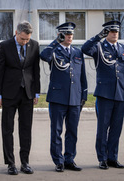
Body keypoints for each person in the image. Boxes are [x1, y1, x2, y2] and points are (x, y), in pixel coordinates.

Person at [81, 20, 124, 169]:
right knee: (103, 128)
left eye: (116, 31)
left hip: (120, 94)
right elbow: (85, 49)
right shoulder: (99, 47)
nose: (114, 34)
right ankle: (102, 158)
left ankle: (113, 157)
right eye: (111, 31)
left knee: (116, 128)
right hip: (104, 94)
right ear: (106, 33)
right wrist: (98, 37)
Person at [0, 20, 40, 175]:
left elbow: (36, 70)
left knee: (26, 129)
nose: (25, 42)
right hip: (9, 94)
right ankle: (11, 163)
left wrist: (36, 92)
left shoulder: (34, 45)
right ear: (16, 33)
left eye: (27, 39)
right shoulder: (4, 46)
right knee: (8, 129)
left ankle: (25, 162)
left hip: (27, 93)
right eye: (22, 39)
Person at [40, 22, 87, 172]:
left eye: (71, 34)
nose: (69, 36)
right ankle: (58, 161)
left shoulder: (77, 52)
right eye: (66, 34)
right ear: (60, 35)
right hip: (58, 97)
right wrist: (56, 42)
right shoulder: (54, 50)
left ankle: (69, 159)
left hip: (74, 98)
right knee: (56, 131)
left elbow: (82, 76)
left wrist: (83, 94)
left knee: (72, 131)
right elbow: (43, 56)